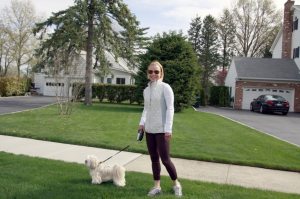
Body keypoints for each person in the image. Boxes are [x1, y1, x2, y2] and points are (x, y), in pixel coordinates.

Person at [138, 60, 182, 197]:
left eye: (156, 71)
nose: (153, 74)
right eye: (150, 71)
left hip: (162, 130)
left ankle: (176, 184)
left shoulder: (165, 88)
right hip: (149, 130)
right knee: (154, 159)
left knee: (165, 159)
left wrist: (168, 129)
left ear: (161, 73)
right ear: (147, 73)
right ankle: (157, 186)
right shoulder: (146, 90)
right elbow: (146, 109)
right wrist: (142, 123)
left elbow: (170, 108)